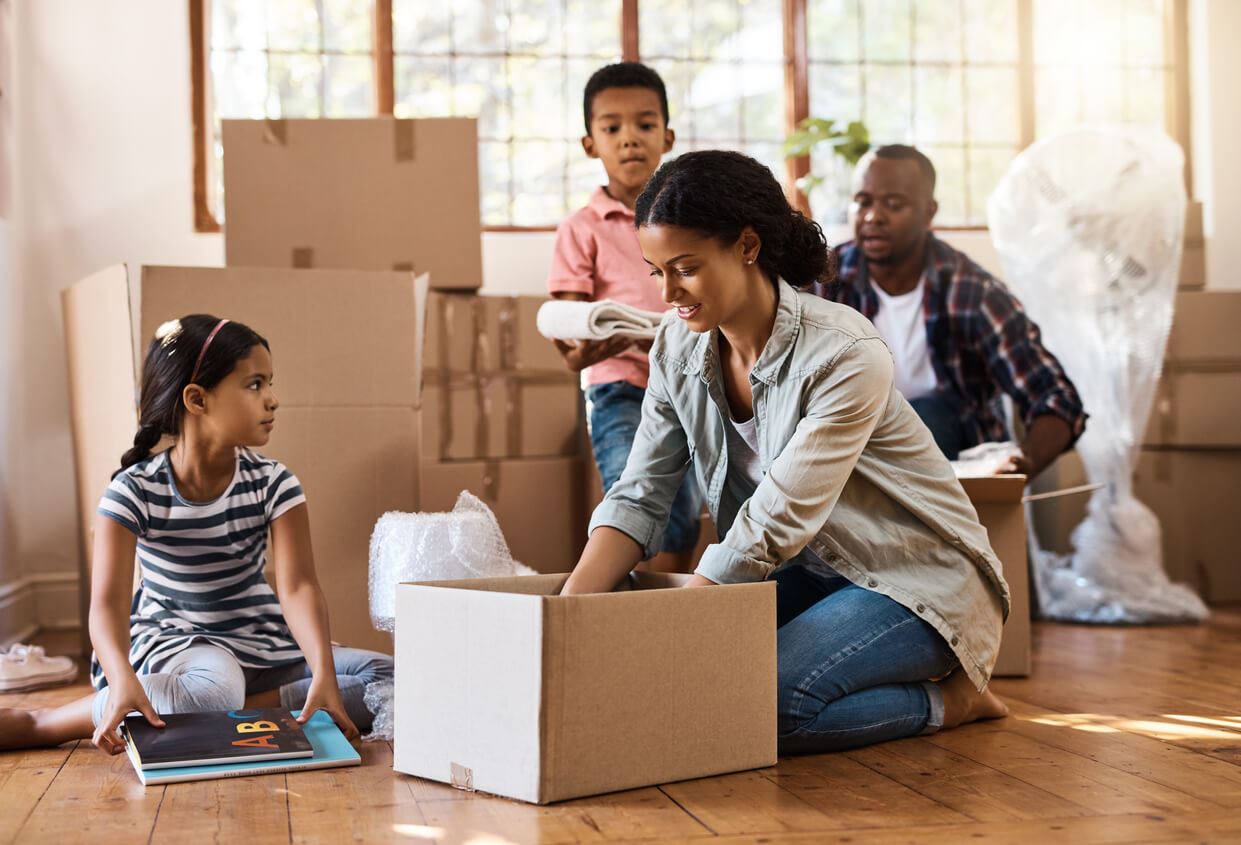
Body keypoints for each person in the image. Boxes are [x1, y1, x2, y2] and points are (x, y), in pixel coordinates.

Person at [562, 150, 1009, 753]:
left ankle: (952, 702)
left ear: (747, 246)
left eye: (686, 268)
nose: (669, 293)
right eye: (656, 271)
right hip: (808, 574)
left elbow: (777, 516)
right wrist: (563, 620)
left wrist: (672, 633)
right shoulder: (675, 344)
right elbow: (641, 492)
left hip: (913, 579)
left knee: (761, 705)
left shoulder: (846, 353)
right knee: (703, 687)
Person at [0, 315, 392, 753]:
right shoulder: (132, 491)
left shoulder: (275, 482)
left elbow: (298, 586)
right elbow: (106, 607)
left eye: (270, 383)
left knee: (390, 680)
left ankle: (219, 709)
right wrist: (121, 676)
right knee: (213, 689)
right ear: (197, 399)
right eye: (255, 384)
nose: (273, 400)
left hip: (261, 643)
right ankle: (43, 723)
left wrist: (321, 670)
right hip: (176, 644)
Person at [814, 145, 1086, 474]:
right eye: (863, 201)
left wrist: (1022, 462)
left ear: (929, 213)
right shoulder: (824, 283)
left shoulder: (974, 292)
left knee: (926, 414)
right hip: (850, 465)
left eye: (894, 204)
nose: (873, 216)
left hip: (953, 474)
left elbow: (1056, 399)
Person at [546, 61, 702, 573]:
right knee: (631, 496)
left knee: (685, 508)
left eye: (645, 125)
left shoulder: (692, 220)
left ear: (668, 136)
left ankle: (671, 607)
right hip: (619, 385)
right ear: (590, 143)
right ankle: (629, 609)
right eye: (612, 128)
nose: (630, 139)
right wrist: (611, 338)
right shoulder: (581, 228)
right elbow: (570, 337)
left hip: (691, 380)